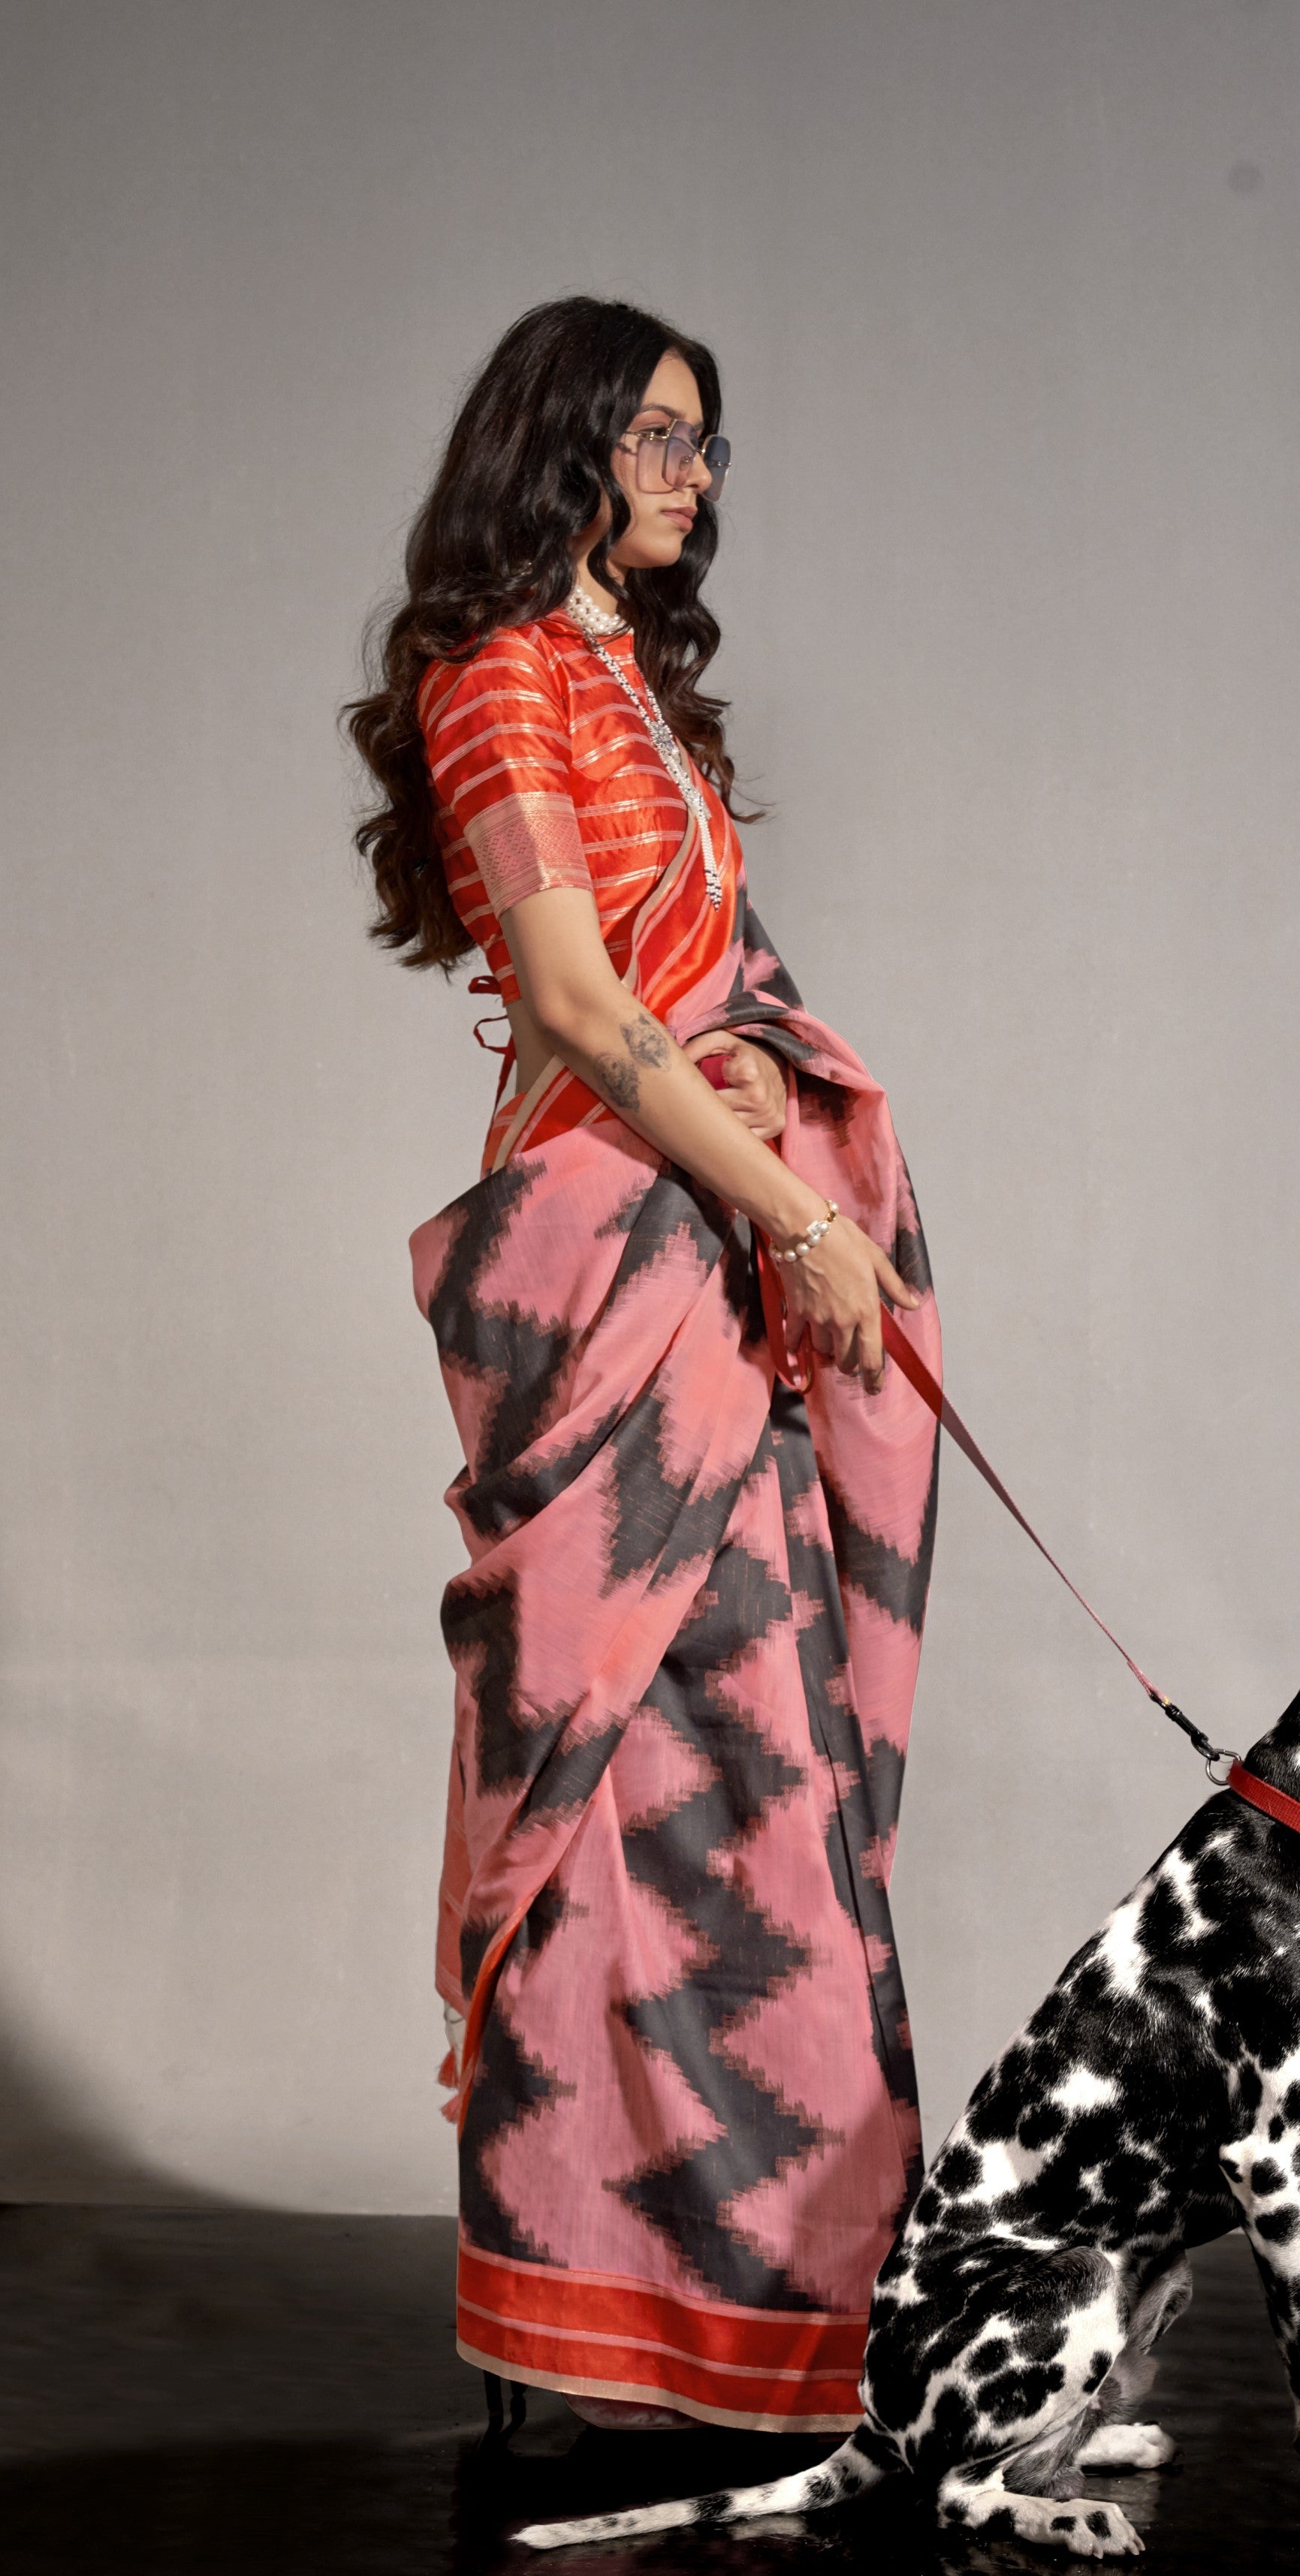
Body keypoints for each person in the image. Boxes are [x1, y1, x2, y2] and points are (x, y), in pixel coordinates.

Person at [347, 297, 941, 2434]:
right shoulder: (500, 681)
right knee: (601, 1790)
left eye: (705, 443)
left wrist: (797, 1177)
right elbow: (595, 1017)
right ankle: (566, 2303)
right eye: (664, 439)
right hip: (610, 1268)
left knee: (755, 1794)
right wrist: (796, 1211)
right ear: (571, 447)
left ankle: (777, 2293)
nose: (698, 477)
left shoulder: (647, 702)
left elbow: (709, 997)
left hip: (710, 1263)